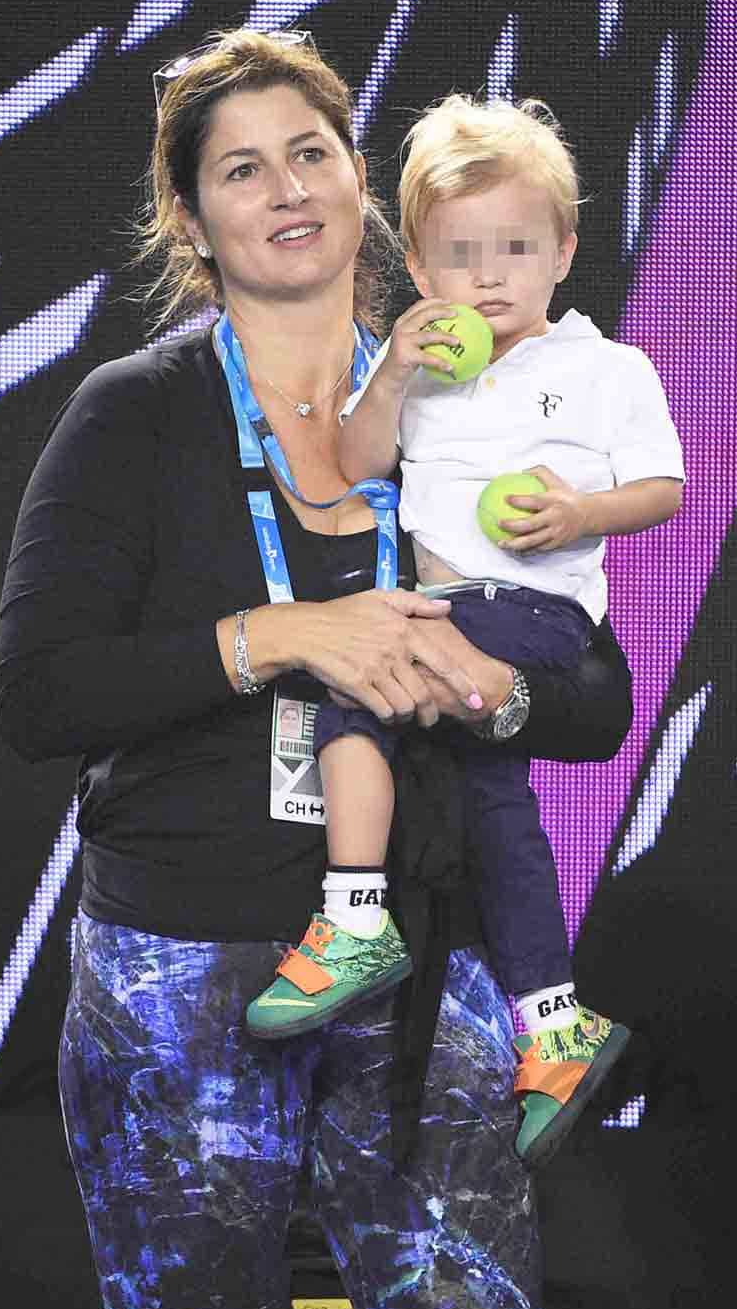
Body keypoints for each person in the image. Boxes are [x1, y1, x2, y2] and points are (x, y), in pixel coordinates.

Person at [0, 29, 636, 1309]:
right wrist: (291, 632)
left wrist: (491, 684)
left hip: (424, 968)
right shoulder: (136, 413)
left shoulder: (479, 394)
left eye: (308, 153)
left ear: (358, 179)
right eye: (241, 170)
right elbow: (41, 692)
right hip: (186, 972)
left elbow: (595, 693)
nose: (285, 189)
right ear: (192, 214)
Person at [245, 93, 684, 1170]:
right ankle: (557, 1022)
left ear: (565, 253)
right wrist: (391, 373)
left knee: (361, 686)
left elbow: (664, 489)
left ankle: (353, 918)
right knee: (491, 802)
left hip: (530, 615)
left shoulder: (605, 370)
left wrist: (581, 514)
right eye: (459, 255)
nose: (490, 277)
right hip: (446, 608)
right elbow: (351, 463)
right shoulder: (425, 371)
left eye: (517, 249)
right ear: (423, 270)